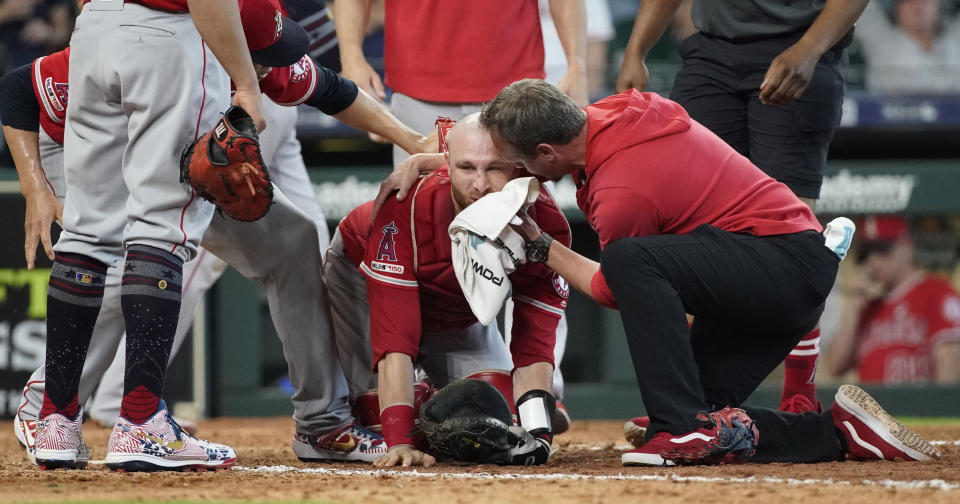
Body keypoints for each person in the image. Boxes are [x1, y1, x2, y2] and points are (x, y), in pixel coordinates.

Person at [0, 0, 433, 469]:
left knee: (293, 239)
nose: (271, 60)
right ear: (226, 38)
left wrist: (413, 140)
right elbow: (19, 89)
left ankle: (322, 423)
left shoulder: (253, 57)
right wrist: (35, 187)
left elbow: (331, 90)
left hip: (180, 151)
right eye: (262, 50)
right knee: (119, 258)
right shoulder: (172, 43)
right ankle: (58, 407)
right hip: (72, 150)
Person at [478, 79, 941, 466]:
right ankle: (838, 432)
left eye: (517, 162)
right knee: (710, 420)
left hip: (780, 268)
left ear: (546, 152)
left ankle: (679, 430)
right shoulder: (619, 111)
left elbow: (616, 288)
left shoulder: (622, 191)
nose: (515, 172)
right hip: (763, 270)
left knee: (627, 261)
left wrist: (542, 246)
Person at [334, 0, 586, 429]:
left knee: (530, 238)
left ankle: (542, 393)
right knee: (420, 242)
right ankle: (411, 384)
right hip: (418, 85)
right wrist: (352, 56)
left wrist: (577, 63)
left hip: (517, 86)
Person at [615, 0, 871, 414]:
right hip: (710, 54)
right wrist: (635, 52)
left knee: (791, 232)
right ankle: (692, 397)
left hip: (797, 47)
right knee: (695, 230)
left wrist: (809, 49)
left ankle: (800, 391)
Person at [324, 113, 571, 467]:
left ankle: (428, 394)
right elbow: (395, 337)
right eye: (467, 168)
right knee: (379, 418)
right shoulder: (407, 206)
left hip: (455, 307)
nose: (480, 185)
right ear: (449, 166)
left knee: (496, 416)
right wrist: (399, 441)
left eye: (495, 169)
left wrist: (539, 435)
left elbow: (535, 341)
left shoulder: (544, 226)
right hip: (362, 281)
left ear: (519, 168)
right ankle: (415, 397)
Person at [827, 214, 960, 383]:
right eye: (867, 253)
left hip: (916, 406)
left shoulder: (937, 291)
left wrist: (940, 408)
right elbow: (835, 367)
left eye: (882, 250)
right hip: (871, 408)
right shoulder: (866, 306)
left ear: (906, 245)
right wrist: (853, 308)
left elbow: (950, 358)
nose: (873, 261)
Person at [855, 0, 960, 94]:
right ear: (897, 8)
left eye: (924, 1)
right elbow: (857, 7)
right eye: (908, 1)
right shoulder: (882, 41)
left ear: (939, 5)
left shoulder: (954, 39)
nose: (917, 6)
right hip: (888, 114)